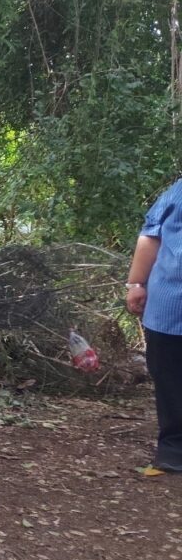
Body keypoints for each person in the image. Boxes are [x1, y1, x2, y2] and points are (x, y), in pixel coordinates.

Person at [126, 178, 182, 473]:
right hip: (170, 304)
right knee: (169, 377)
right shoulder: (179, 191)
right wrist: (136, 283)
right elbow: (151, 235)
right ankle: (173, 449)